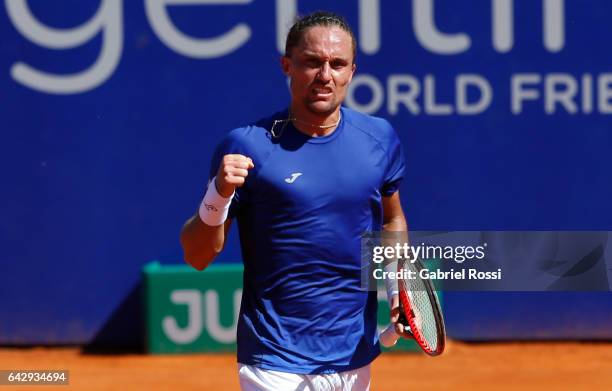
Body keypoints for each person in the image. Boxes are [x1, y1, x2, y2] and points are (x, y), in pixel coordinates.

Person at [181, 11, 411, 391]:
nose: (325, 75)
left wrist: (396, 286)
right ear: (287, 65)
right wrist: (217, 193)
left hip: (354, 357)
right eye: (311, 62)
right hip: (274, 361)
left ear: (352, 71)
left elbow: (392, 221)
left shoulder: (380, 138)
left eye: (337, 64)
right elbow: (197, 255)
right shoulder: (247, 145)